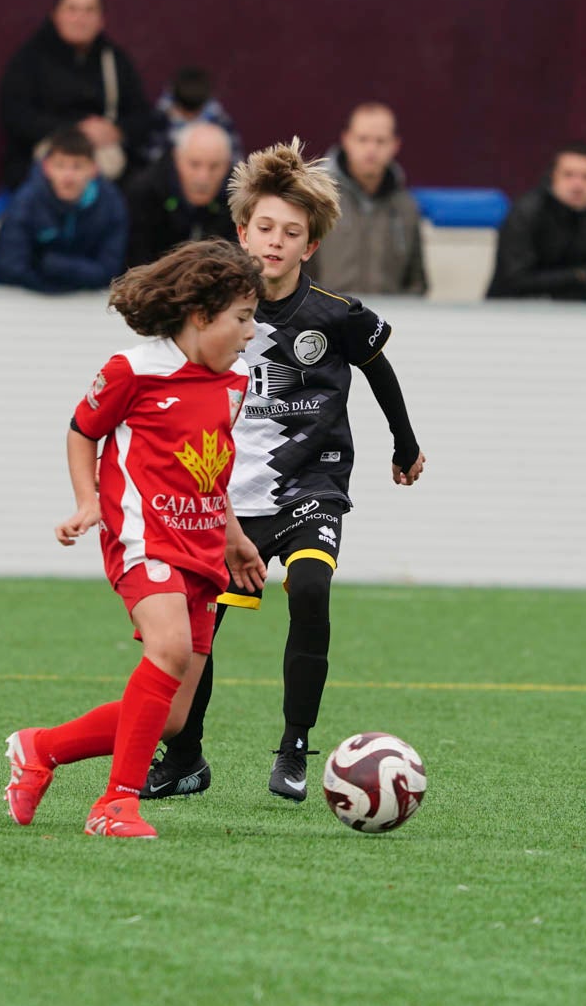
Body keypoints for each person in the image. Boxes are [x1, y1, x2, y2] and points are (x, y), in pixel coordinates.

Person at [143, 139, 427, 804]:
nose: (274, 241)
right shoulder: (212, 311)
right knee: (198, 627)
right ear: (241, 233)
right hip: (227, 495)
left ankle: (296, 743)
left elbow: (377, 368)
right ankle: (185, 756)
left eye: (290, 232)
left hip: (313, 480)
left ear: (310, 246)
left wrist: (404, 442)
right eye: (264, 228)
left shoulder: (334, 313)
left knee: (309, 588)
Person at [3, 239, 266, 839]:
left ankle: (40, 748)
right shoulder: (133, 369)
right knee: (167, 650)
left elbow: (212, 466)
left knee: (172, 718)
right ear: (202, 316)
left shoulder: (239, 379)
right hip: (142, 538)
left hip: (203, 549)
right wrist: (87, 502)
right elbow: (80, 431)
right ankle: (115, 804)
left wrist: (233, 536)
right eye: (243, 319)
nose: (252, 334)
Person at [0, 0, 149, 189]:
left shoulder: (115, 60)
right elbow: (15, 116)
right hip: (42, 164)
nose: (80, 19)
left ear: (101, 20)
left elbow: (142, 116)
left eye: (89, 11)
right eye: (72, 9)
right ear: (55, 15)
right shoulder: (29, 59)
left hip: (106, 168)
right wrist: (75, 131)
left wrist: (117, 131)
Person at [486, 140, 586, 301]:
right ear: (553, 177)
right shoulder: (526, 212)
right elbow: (514, 280)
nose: (578, 185)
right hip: (513, 315)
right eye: (568, 175)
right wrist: (582, 275)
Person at [310, 102, 427, 296]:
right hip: (328, 318)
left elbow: (417, 282)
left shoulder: (406, 207)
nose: (371, 149)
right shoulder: (319, 199)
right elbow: (301, 268)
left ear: (395, 145)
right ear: (346, 140)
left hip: (389, 320)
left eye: (380, 141)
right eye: (362, 139)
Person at [0, 125, 125, 293]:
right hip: (31, 301)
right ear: (46, 167)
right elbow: (8, 268)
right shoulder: (26, 201)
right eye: (60, 165)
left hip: (89, 304)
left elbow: (111, 271)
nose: (68, 176)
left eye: (77, 166)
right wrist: (59, 285)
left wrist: (53, 265)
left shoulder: (111, 204)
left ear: (93, 169)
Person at [124, 120, 235, 268]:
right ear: (177, 158)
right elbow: (136, 263)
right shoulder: (145, 193)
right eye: (194, 164)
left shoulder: (238, 199)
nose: (203, 177)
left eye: (214, 167)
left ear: (227, 165)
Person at [140, 66, 242, 167]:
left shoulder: (221, 123)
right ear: (176, 102)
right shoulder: (160, 121)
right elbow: (150, 161)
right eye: (185, 113)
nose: (190, 117)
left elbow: (236, 165)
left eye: (195, 113)